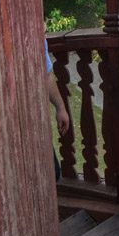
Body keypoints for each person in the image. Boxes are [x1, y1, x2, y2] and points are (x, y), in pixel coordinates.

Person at [45, 39, 69, 180]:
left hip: (35, 119)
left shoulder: (36, 34)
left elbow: (46, 74)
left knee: (53, 172)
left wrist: (60, 108)